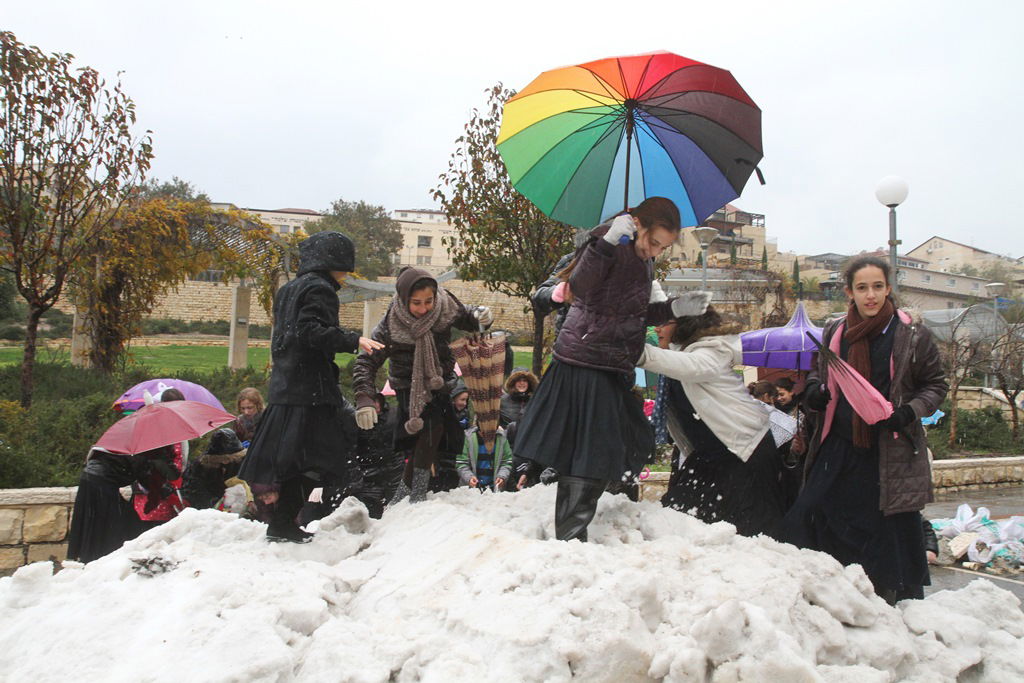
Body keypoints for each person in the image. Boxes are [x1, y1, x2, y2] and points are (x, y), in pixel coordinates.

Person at [513, 197, 710, 541]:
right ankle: (571, 534)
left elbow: (632, 313)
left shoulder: (640, 258)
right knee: (592, 452)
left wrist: (676, 308)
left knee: (614, 446)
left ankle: (573, 529)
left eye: (663, 247)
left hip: (612, 361)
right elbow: (579, 289)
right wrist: (604, 242)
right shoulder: (610, 242)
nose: (655, 252)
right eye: (653, 242)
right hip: (585, 359)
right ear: (638, 225)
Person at [779, 255, 948, 604]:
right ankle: (832, 594)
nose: (870, 295)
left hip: (889, 449)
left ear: (888, 289)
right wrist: (813, 390)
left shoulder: (912, 335)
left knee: (885, 530)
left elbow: (935, 386)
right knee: (811, 513)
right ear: (849, 292)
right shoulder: (835, 331)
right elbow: (818, 371)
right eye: (862, 288)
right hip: (838, 445)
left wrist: (908, 412)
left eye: (877, 287)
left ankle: (885, 602)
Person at [238, 231, 384, 543]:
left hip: (286, 387)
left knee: (295, 460)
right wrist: (352, 339)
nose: (347, 273)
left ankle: (281, 523)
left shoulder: (289, 289)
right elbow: (310, 331)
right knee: (319, 460)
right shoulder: (321, 289)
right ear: (334, 261)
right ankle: (283, 523)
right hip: (311, 392)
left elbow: (289, 334)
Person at [639, 307, 785, 536]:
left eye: (665, 322)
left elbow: (691, 366)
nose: (657, 328)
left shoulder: (708, 352)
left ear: (684, 324)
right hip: (710, 456)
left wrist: (634, 351)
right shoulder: (680, 354)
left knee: (747, 532)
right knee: (680, 520)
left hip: (743, 454)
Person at [353, 266, 492, 503]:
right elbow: (366, 361)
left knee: (433, 436)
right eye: (416, 303)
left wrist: (480, 317)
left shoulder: (445, 305)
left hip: (441, 382)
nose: (423, 308)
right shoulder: (390, 324)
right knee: (429, 430)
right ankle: (415, 493)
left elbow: (465, 315)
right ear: (404, 298)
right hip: (409, 386)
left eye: (429, 301)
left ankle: (405, 494)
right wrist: (364, 397)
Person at [67, 447, 175, 562]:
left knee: (95, 518)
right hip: (102, 482)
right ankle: (103, 554)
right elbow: (144, 478)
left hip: (90, 479)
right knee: (117, 520)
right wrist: (163, 490)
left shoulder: (123, 450)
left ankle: (90, 553)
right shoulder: (139, 456)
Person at [131, 388, 188, 528]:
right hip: (154, 491)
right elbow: (148, 462)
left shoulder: (178, 429)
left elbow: (181, 458)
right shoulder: (153, 429)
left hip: (172, 490)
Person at [181, 428, 247, 510]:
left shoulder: (238, 463)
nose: (226, 462)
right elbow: (193, 488)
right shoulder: (201, 466)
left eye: (230, 458)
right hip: (205, 507)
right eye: (223, 459)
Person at [457, 421, 513, 491]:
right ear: (479, 430)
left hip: (494, 490)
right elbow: (461, 463)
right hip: (469, 490)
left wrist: (502, 476)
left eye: (492, 434)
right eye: (484, 434)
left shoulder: (501, 439)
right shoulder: (468, 438)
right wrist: (469, 478)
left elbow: (507, 462)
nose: (488, 437)